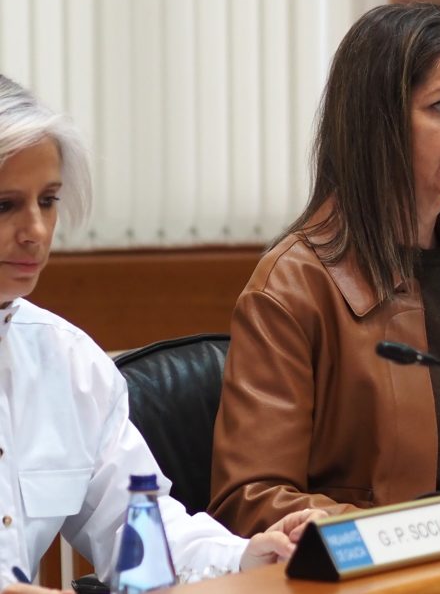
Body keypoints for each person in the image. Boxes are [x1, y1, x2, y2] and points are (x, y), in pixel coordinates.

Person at [209, 2, 440, 537]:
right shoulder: (293, 286)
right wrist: (406, 534)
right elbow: (251, 500)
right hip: (380, 571)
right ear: (376, 123)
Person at [0, 75, 317, 593]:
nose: (36, 230)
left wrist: (246, 556)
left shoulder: (69, 363)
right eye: (5, 206)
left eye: (48, 201)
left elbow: (140, 530)